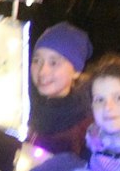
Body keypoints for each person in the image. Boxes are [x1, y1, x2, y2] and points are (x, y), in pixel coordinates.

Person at [27, 23, 94, 157]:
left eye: (53, 63)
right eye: (37, 60)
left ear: (76, 71)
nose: (42, 71)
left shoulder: (86, 127)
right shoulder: (22, 105)